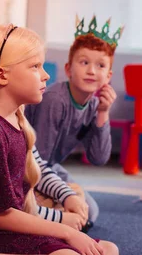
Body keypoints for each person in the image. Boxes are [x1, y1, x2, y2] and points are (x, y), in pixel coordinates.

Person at [0, 24, 119, 255]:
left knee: (109, 253)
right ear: (1, 75)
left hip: (18, 228)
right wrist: (66, 230)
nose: (45, 76)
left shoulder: (16, 120)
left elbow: (94, 158)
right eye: (35, 67)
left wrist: (65, 227)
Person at [25, 16, 122, 226]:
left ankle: (53, 215)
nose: (91, 71)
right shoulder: (55, 100)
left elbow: (98, 158)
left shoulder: (95, 106)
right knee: (73, 212)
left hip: (50, 167)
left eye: (100, 65)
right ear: (69, 69)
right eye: (84, 62)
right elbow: (37, 160)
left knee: (90, 212)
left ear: (108, 76)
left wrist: (104, 113)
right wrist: (63, 194)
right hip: (27, 167)